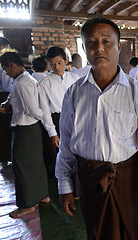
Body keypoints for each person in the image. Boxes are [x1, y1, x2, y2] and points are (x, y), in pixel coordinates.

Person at [55, 17, 138, 240]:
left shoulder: (136, 91)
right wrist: (64, 185)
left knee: (131, 231)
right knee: (96, 232)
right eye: (92, 43)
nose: (100, 48)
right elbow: (66, 144)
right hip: (90, 179)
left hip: (127, 178)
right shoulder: (74, 93)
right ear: (84, 48)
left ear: (119, 46)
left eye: (107, 41)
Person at [0, 49, 49, 218]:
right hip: (30, 128)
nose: (6, 73)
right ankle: (42, 195)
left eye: (6, 69)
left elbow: (33, 110)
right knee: (35, 163)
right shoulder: (25, 79)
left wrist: (45, 120)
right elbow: (21, 103)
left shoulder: (22, 83)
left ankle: (27, 205)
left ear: (12, 65)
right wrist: (11, 108)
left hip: (26, 129)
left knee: (21, 166)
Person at [38, 47, 79, 176]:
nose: (56, 67)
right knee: (60, 154)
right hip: (57, 120)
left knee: (77, 152)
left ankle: (78, 185)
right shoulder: (44, 83)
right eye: (52, 64)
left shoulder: (75, 78)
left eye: (59, 63)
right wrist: (52, 133)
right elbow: (44, 110)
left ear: (66, 61)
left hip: (76, 118)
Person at [0, 37, 13, 168]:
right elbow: (7, 85)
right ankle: (13, 157)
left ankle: (4, 161)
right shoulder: (1, 61)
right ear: (1, 47)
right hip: (3, 97)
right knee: (9, 128)